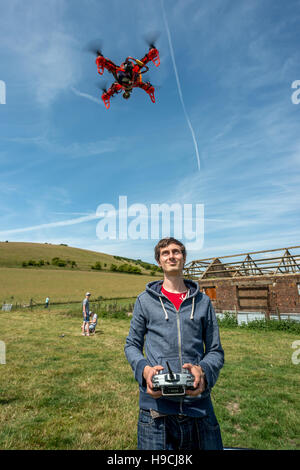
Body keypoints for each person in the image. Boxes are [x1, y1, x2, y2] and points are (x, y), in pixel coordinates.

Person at [124, 237, 224, 450]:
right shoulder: (145, 301)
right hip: (155, 413)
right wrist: (144, 371)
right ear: (159, 261)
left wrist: (203, 371)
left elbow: (215, 350)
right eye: (165, 253)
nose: (171, 256)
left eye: (176, 252)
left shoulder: (203, 302)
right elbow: (131, 344)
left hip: (198, 408)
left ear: (184, 258)